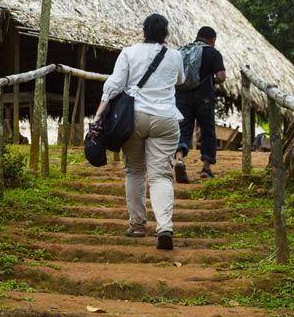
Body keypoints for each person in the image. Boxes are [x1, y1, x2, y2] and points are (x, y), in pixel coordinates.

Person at [93, 13, 184, 250]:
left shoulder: (129, 52)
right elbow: (180, 80)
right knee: (161, 176)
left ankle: (136, 225)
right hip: (165, 118)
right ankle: (164, 227)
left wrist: (98, 115)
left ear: (144, 31)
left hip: (133, 117)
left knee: (134, 170)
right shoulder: (175, 56)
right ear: (165, 34)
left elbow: (114, 85)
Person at [174, 26, 226, 182]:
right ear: (212, 40)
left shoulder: (182, 51)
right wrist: (213, 79)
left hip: (182, 97)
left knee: (183, 130)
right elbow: (221, 76)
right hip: (204, 98)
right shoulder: (213, 53)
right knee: (208, 130)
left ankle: (179, 160)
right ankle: (206, 169)